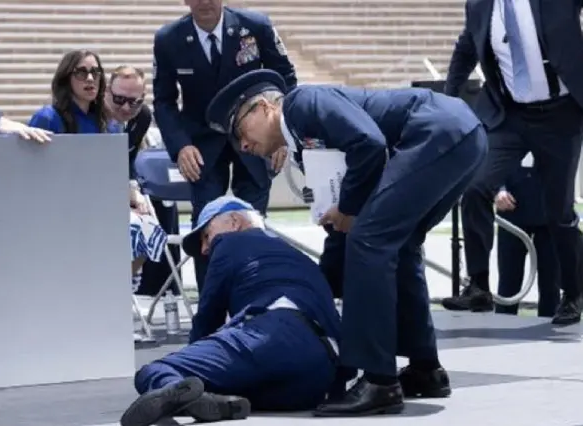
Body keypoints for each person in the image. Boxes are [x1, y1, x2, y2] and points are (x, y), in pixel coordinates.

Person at [206, 69, 488, 416]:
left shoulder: (303, 104)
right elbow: (342, 220)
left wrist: (350, 211)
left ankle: (379, 382)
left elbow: (368, 144)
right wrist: (321, 283)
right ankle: (425, 369)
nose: (243, 146)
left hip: (437, 131)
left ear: (264, 107)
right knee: (398, 244)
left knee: (370, 241)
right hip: (459, 134)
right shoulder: (303, 143)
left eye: (239, 132)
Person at [121, 195, 343, 426]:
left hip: (273, 334)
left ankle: (178, 393)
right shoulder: (299, 258)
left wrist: (193, 361)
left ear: (235, 221)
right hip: (321, 369)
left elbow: (208, 318)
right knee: (241, 384)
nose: (205, 249)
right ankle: (211, 402)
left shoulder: (230, 242)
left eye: (207, 236)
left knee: (156, 370)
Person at [441, 0, 583, 325]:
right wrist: (448, 100)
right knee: (475, 188)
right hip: (510, 114)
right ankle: (478, 285)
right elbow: (466, 47)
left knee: (558, 211)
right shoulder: (479, 5)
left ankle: (573, 294)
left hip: (560, 115)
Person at [152, 0, 297, 291]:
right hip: (202, 146)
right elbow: (164, 101)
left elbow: (287, 80)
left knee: (254, 223)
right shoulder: (169, 39)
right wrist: (181, 146)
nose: (205, 2)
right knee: (206, 225)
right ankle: (212, 305)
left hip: (258, 140)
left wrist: (281, 133)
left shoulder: (256, 26)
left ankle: (255, 296)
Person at [105, 65, 182, 296]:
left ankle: (123, 286)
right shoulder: (91, 115)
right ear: (106, 92)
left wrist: (132, 190)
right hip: (90, 193)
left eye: (134, 102)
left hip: (118, 187)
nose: (126, 107)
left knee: (153, 221)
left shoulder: (143, 117)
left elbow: (127, 159)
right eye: (119, 100)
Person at [493, 155, 560, 317]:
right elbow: (495, 160)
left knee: (551, 283)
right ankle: (502, 327)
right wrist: (498, 189)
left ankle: (548, 329)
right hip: (512, 209)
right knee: (508, 282)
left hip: (550, 211)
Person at [28, 49, 120, 134]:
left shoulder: (108, 124)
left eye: (95, 72)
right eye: (81, 73)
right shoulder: (47, 118)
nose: (90, 79)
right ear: (66, 78)